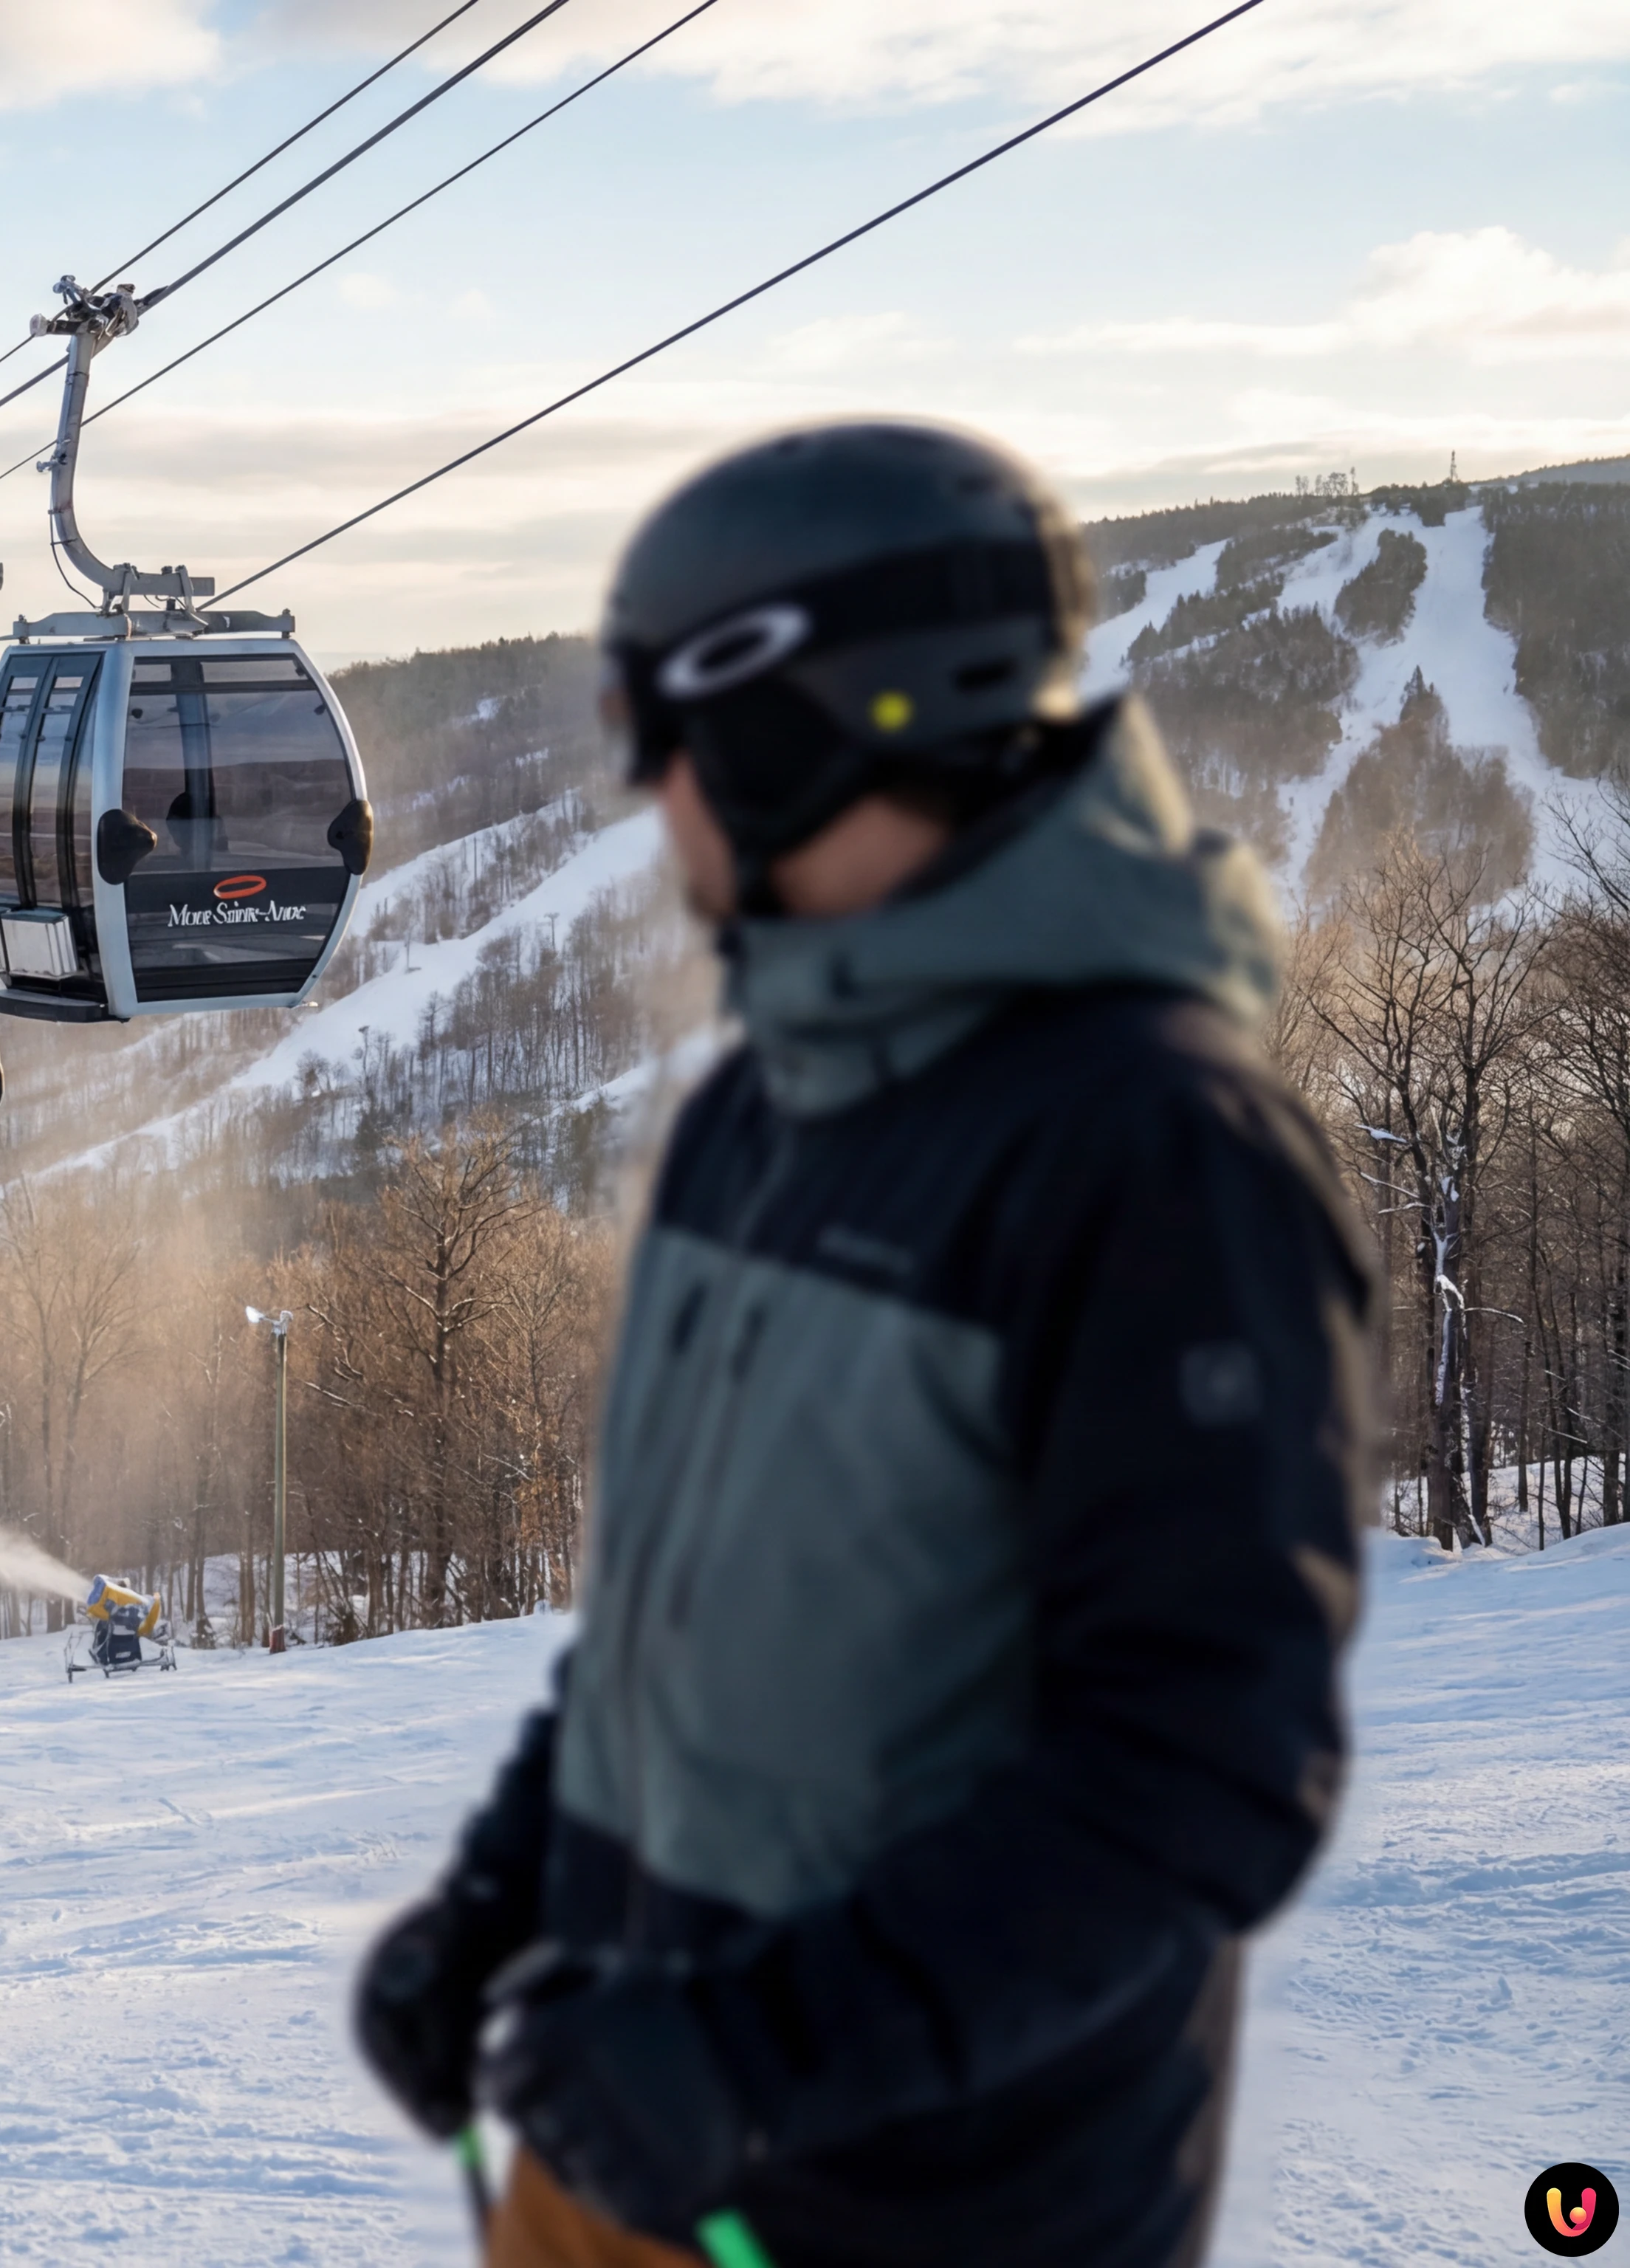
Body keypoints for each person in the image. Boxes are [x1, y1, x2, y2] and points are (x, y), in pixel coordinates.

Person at [350, 421, 1374, 2267]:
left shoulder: (1147, 1150)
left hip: (920, 2204)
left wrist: (748, 2055)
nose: (647, 795)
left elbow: (1201, 1769)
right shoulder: (766, 1108)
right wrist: (503, 1904)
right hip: (632, 2130)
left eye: (659, 735)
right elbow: (678, 1616)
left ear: (796, 722)